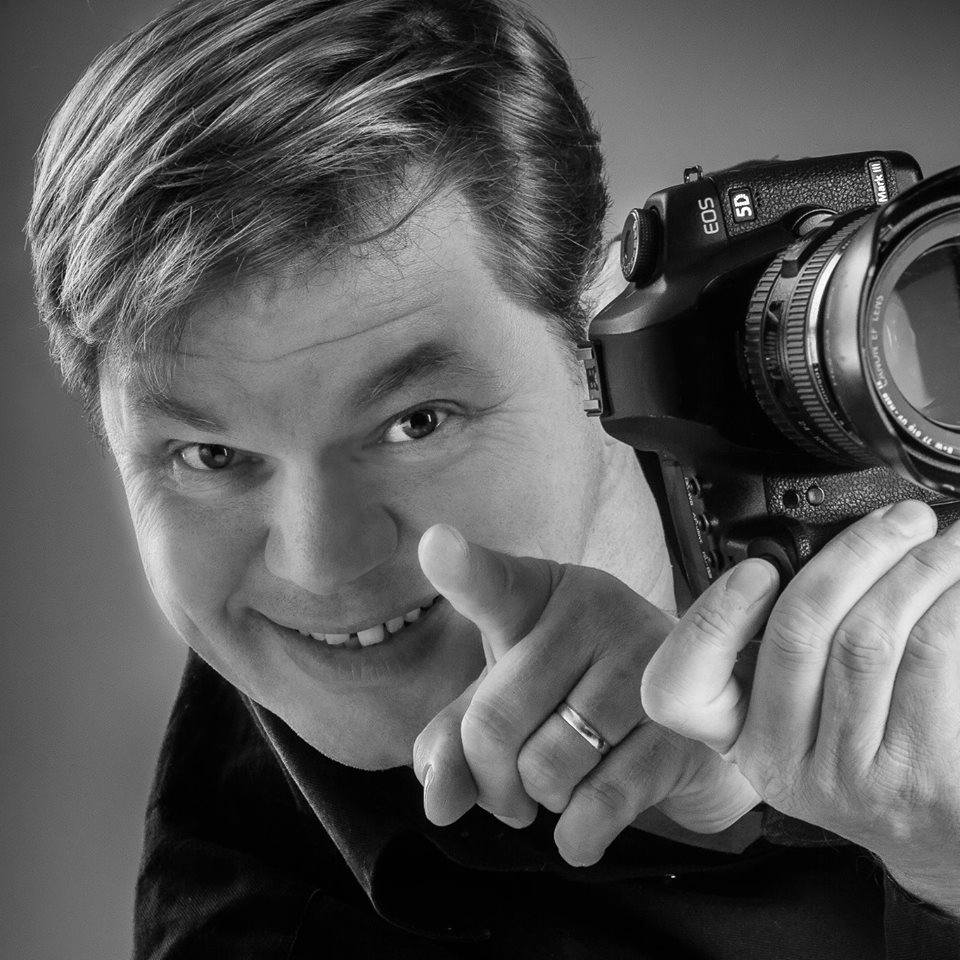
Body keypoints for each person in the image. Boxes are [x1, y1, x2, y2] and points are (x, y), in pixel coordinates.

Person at [27, 0, 960, 955]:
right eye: (211, 457)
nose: (319, 563)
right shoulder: (260, 932)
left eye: (416, 422)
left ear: (595, 329)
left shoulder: (873, 362)